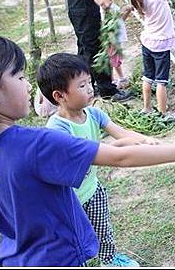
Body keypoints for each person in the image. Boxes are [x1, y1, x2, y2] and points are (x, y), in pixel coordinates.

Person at [0, 35, 175, 266]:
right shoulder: (38, 144)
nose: (28, 87)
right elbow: (120, 158)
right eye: (20, 77)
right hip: (59, 258)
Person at [38, 53, 157, 267]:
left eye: (89, 82)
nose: (91, 89)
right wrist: (114, 148)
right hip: (68, 201)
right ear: (60, 96)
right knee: (74, 242)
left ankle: (109, 260)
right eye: (82, 86)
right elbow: (82, 159)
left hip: (92, 190)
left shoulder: (93, 114)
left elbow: (122, 133)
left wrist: (148, 140)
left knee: (103, 228)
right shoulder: (57, 130)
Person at [100, 0, 134, 89]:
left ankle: (114, 79)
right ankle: (121, 78)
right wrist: (123, 10)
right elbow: (110, 21)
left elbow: (120, 20)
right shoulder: (105, 8)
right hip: (111, 39)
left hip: (116, 39)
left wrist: (127, 11)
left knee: (114, 59)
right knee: (115, 60)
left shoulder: (113, 6)